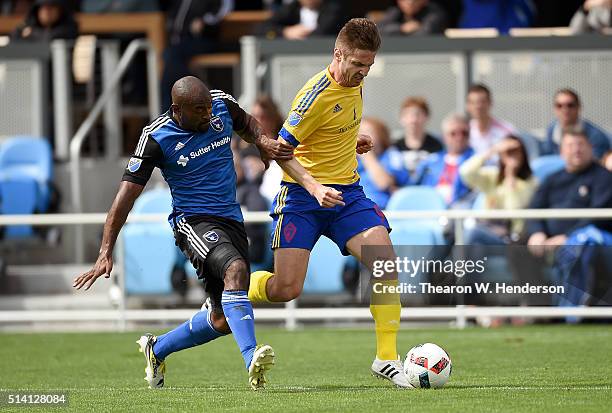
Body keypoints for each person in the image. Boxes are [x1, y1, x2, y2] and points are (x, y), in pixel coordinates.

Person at [73, 76, 295, 390]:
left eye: (208, 108)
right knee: (236, 270)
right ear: (177, 109)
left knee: (222, 318)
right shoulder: (156, 136)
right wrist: (105, 250)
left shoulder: (220, 104)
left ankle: (157, 348)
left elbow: (246, 122)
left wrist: (261, 141)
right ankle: (252, 359)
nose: (208, 115)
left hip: (231, 219)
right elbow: (124, 198)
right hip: (193, 222)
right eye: (199, 110)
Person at [247, 18, 413, 388]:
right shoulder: (313, 96)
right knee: (286, 290)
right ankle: (235, 287)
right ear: (338, 55)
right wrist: (314, 186)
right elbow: (280, 149)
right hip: (303, 199)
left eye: (369, 66)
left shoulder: (356, 83)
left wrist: (352, 139)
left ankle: (386, 358)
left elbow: (330, 130)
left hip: (347, 195)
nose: (363, 73)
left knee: (384, 259)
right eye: (357, 65)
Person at [527, 128, 612, 311]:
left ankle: (572, 311)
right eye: (570, 145)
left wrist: (565, 237)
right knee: (515, 246)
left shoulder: (604, 178)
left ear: (591, 148)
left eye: (581, 144)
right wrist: (537, 232)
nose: (576, 150)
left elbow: (598, 215)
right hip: (550, 241)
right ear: (562, 152)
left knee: (583, 242)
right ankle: (538, 311)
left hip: (590, 239)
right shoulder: (551, 179)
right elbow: (533, 209)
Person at [460, 135, 537, 245]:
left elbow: (513, 211)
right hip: (487, 229)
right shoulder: (492, 177)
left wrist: (510, 176)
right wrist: (493, 150)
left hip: (510, 238)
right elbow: (466, 172)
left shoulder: (531, 183)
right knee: (470, 235)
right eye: (507, 152)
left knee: (472, 234)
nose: (511, 155)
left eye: (515, 151)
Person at [160, 0, 234, 110]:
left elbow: (225, 7)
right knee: (169, 58)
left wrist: (205, 21)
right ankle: (185, 102)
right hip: (177, 45)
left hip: (203, 40)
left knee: (171, 60)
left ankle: (172, 109)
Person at [414, 113, 475, 207]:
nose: (459, 138)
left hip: (462, 211)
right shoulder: (431, 162)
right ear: (444, 136)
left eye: (464, 133)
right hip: (430, 209)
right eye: (453, 133)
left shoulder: (476, 160)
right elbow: (414, 186)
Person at [541, 88, 611, 159]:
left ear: (579, 107)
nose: (565, 110)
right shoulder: (552, 130)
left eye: (570, 105)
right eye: (559, 106)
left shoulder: (596, 136)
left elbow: (594, 164)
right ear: (554, 109)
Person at [358, 117, 410, 209]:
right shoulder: (353, 158)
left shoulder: (392, 155)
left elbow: (384, 183)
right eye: (359, 131)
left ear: (381, 134)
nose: (361, 136)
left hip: (380, 210)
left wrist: (366, 154)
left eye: (368, 131)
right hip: (353, 209)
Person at [392, 96, 443, 177]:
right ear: (401, 118)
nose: (413, 120)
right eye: (408, 115)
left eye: (418, 114)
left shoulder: (437, 146)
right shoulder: (394, 147)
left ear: (427, 117)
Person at [466, 84, 517, 156]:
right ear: (467, 106)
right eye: (473, 102)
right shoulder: (463, 132)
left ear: (490, 103)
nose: (478, 106)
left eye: (482, 102)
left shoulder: (506, 130)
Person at [257, 0, 347, 40]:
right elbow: (262, 29)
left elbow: (327, 30)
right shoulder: (292, 8)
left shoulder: (334, 9)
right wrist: (286, 32)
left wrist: (305, 37)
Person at [11, 0, 78, 42]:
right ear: (37, 11)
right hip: (29, 63)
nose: (47, 12)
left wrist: (31, 34)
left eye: (51, 7)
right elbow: (14, 38)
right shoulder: (28, 25)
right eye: (43, 8)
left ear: (60, 10)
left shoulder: (69, 27)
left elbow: (49, 39)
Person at [378, 0, 448, 36]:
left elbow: (426, 34)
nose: (410, 2)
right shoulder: (395, 12)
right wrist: (402, 29)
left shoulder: (434, 13)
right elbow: (378, 31)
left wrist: (399, 35)